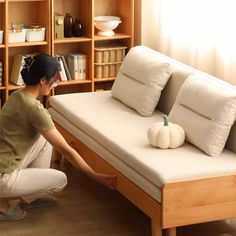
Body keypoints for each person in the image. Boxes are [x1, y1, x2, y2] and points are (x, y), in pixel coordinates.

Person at [0, 54, 116, 221]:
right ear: (42, 80)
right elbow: (65, 150)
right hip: (3, 177)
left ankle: (33, 195)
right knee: (61, 179)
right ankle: (2, 206)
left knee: (43, 139)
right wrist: (95, 176)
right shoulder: (35, 110)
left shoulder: (16, 95)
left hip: (3, 163)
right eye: (54, 80)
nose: (54, 84)